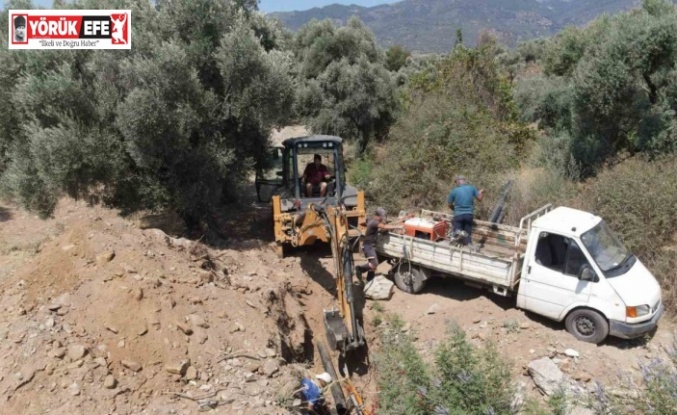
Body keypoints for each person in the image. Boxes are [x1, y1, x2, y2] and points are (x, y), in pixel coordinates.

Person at [355, 208, 403, 282]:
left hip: (369, 245)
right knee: (374, 263)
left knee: (373, 265)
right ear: (378, 216)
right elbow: (384, 227)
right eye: (382, 217)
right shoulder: (375, 222)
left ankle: (369, 280)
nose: (383, 219)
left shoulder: (370, 219)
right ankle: (360, 269)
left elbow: (364, 222)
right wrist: (397, 226)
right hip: (369, 245)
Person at [447, 175, 484, 246]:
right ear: (464, 181)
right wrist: (481, 192)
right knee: (467, 233)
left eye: (456, 182)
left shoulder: (454, 191)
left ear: (458, 181)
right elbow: (480, 199)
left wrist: (454, 209)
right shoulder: (471, 188)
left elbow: (449, 204)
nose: (456, 184)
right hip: (469, 215)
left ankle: (456, 248)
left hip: (458, 215)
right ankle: (469, 246)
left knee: (457, 233)